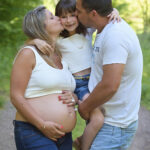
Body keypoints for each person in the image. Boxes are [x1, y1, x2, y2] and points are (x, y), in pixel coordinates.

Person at [30, 0, 121, 150]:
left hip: (95, 80)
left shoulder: (87, 31)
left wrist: (115, 12)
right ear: (59, 18)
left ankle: (85, 141)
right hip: (79, 85)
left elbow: (102, 10)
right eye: (63, 17)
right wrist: (35, 41)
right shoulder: (58, 39)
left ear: (79, 15)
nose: (69, 20)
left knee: (102, 117)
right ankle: (82, 145)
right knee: (97, 119)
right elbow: (36, 37)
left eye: (73, 15)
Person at [76, 0, 143, 150]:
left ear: (93, 13)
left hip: (114, 127)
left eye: (79, 11)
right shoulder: (104, 28)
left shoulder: (115, 36)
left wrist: (84, 108)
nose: (76, 14)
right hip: (106, 122)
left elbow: (110, 85)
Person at [10, 6, 78, 150]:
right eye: (52, 17)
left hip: (64, 136)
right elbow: (16, 96)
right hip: (34, 131)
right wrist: (42, 125)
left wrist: (74, 98)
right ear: (40, 26)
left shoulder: (62, 55)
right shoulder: (29, 54)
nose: (60, 18)